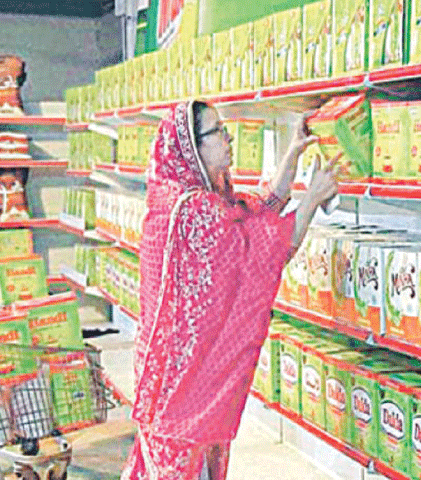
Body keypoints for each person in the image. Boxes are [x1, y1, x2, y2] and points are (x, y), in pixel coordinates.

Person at [121, 100, 339, 480]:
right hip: (183, 394)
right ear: (192, 147)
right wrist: (312, 200)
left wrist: (292, 153)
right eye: (217, 131)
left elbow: (252, 214)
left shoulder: (182, 199)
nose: (229, 137)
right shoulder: (193, 212)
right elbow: (264, 251)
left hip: (175, 387)